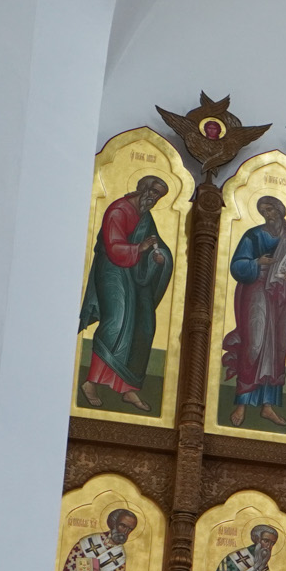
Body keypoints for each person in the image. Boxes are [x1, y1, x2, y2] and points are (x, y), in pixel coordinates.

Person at [78, 175, 173, 413]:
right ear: (143, 189)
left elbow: (156, 245)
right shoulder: (118, 210)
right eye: (153, 193)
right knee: (117, 321)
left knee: (145, 326)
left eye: (159, 196)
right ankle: (91, 382)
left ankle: (128, 388)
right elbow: (113, 246)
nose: (154, 199)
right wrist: (139, 248)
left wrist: (158, 257)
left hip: (137, 274)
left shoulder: (145, 216)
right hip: (112, 269)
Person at [221, 195, 286, 428]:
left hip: (280, 297)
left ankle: (267, 406)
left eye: (271, 210)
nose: (268, 215)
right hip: (257, 291)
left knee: (277, 349)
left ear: (280, 211)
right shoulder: (253, 235)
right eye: (263, 211)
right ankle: (242, 402)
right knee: (254, 344)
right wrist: (258, 262)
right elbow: (237, 265)